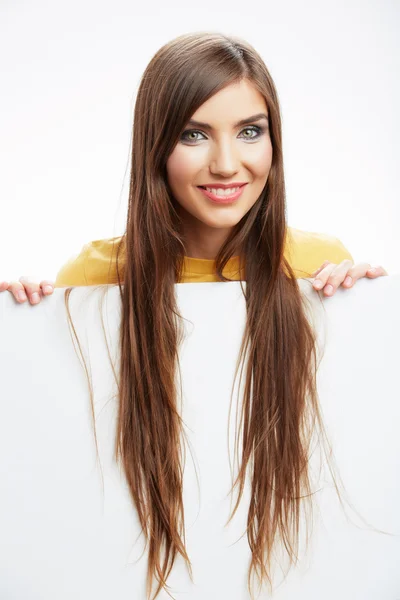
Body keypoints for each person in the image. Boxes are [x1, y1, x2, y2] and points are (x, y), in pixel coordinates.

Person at [0, 32, 388, 600]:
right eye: (194, 134)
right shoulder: (97, 274)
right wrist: (25, 319)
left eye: (250, 132)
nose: (227, 164)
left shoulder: (315, 264)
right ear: (156, 145)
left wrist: (368, 309)